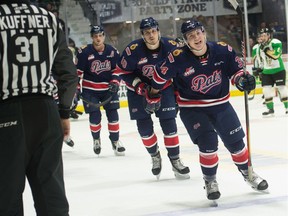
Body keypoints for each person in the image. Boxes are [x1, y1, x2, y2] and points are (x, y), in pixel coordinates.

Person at [147, 19, 268, 200]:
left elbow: (236, 72)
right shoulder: (177, 57)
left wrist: (242, 80)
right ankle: (210, 180)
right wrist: (153, 93)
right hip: (192, 108)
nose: (196, 38)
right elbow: (158, 75)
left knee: (236, 143)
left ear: (204, 33)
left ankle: (248, 173)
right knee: (208, 144)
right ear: (185, 40)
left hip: (220, 104)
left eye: (198, 33)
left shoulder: (222, 50)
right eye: (190, 36)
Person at [0, 0, 78, 215]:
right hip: (46, 111)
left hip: (6, 113)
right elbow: (68, 73)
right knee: (52, 197)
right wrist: (63, 112)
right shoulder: (48, 18)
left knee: (6, 199)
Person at [115, 17, 190, 179]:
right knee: (144, 130)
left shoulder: (171, 46)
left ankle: (175, 160)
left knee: (170, 125)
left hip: (164, 89)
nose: (151, 35)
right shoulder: (133, 50)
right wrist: (141, 87)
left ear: (159, 32)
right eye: (147, 32)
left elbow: (183, 67)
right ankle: (155, 156)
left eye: (154, 31)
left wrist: (178, 90)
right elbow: (122, 71)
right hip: (138, 92)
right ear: (142, 35)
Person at [76, 25, 125, 156]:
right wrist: (76, 88)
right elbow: (78, 73)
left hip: (108, 90)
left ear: (104, 36)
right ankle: (96, 139)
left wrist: (115, 81)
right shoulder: (84, 52)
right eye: (95, 36)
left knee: (113, 116)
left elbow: (117, 70)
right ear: (92, 37)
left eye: (100, 35)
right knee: (95, 116)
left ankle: (115, 141)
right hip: (90, 90)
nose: (98, 38)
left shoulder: (113, 51)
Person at [258, 28, 288, 116]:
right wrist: (259, 69)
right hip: (267, 71)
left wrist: (266, 50)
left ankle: (287, 108)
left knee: (282, 88)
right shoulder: (260, 46)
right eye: (261, 36)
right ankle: (270, 109)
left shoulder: (276, 42)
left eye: (264, 35)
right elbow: (261, 59)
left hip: (278, 70)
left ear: (269, 36)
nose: (262, 37)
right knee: (266, 90)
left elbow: (276, 55)